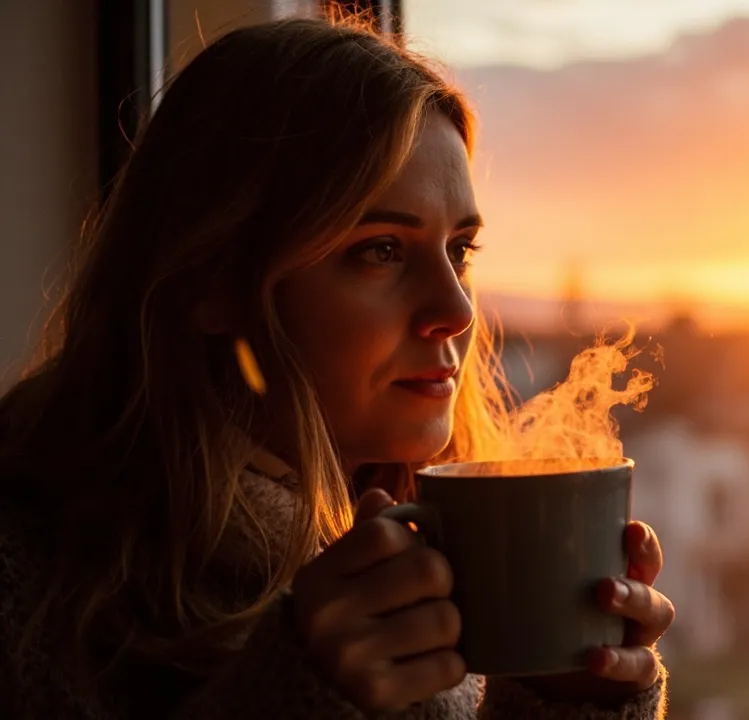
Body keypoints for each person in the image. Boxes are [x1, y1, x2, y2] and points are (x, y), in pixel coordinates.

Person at [0, 15, 674, 720]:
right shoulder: (30, 589)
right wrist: (298, 697)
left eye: (461, 251)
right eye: (381, 249)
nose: (457, 309)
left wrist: (569, 701)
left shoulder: (426, 555)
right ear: (212, 280)